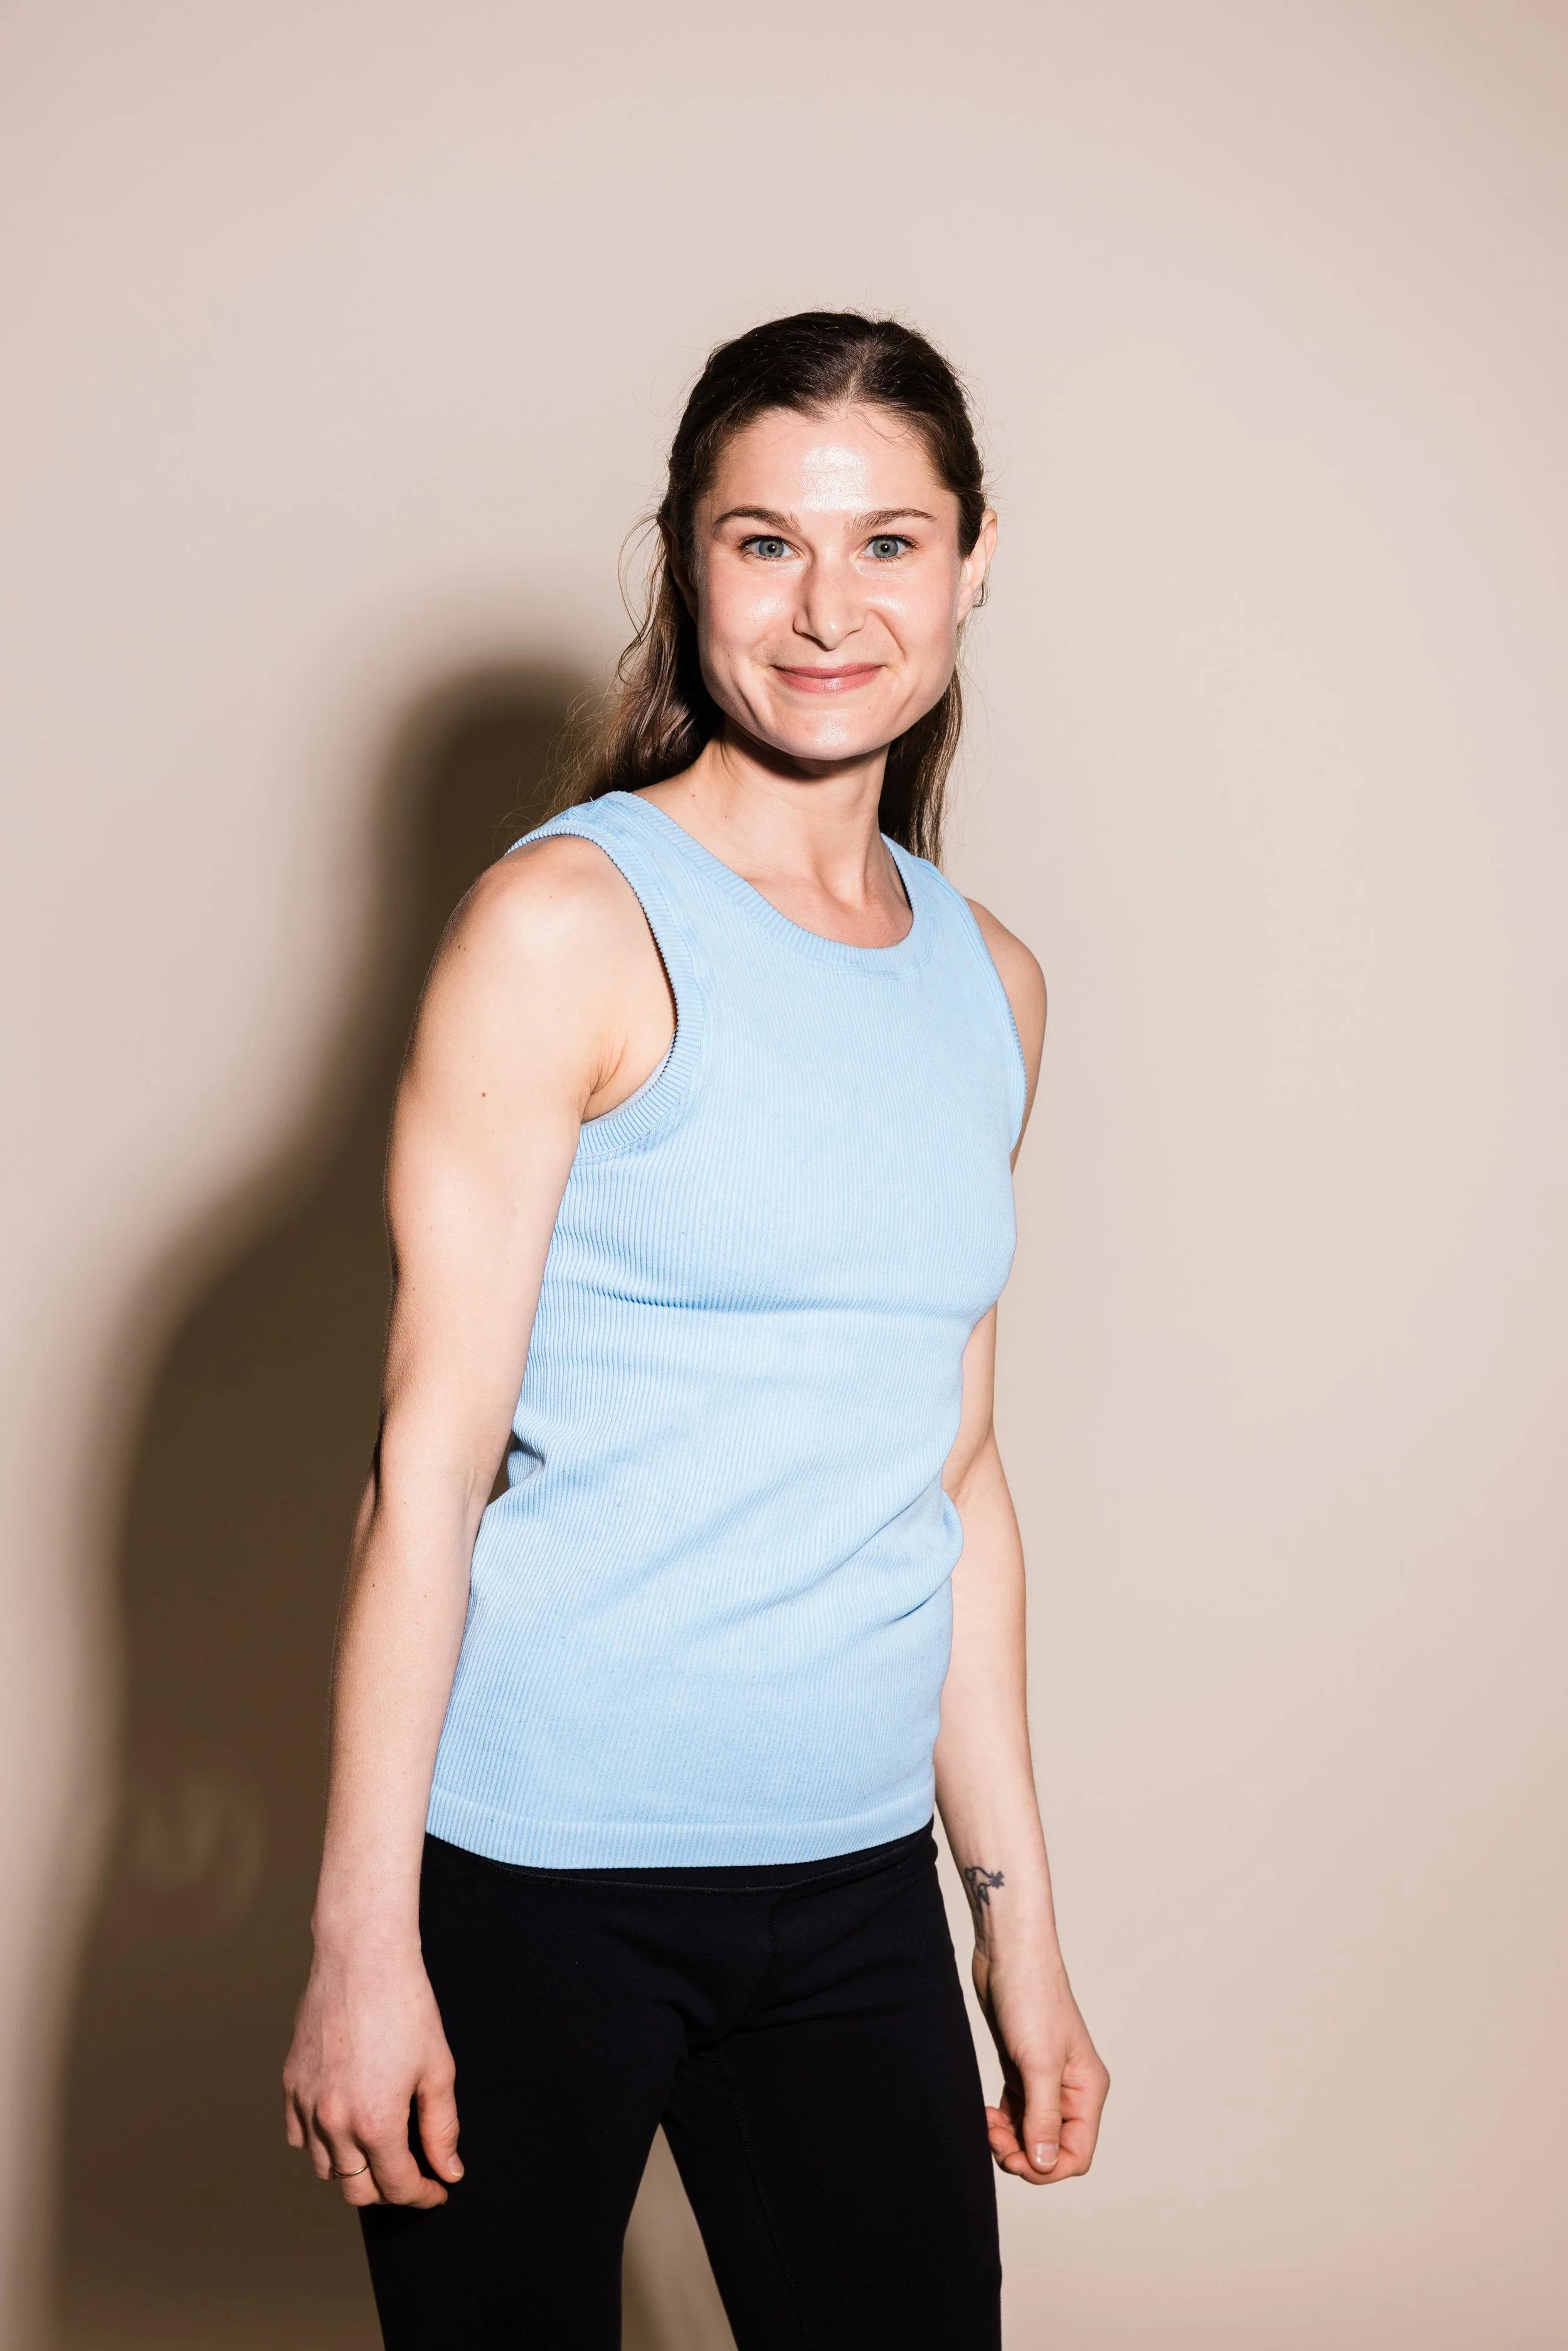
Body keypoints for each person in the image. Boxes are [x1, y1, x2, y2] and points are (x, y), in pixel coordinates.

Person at [283, 310, 1110, 2349]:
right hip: (531, 1885)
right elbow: (426, 1464)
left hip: (848, 1892)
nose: (829, 607)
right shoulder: (568, 922)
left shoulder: (987, 984)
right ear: (683, 561)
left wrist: (1018, 1930)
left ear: (973, 557)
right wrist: (360, 1937)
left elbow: (951, 1472)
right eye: (764, 543)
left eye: (887, 543)